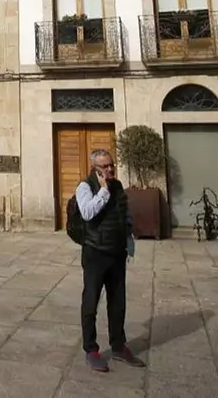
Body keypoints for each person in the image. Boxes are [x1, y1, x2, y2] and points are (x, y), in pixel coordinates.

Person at [75, 149, 144, 372]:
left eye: (111, 165)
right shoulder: (85, 187)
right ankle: (91, 350)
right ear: (95, 169)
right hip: (95, 252)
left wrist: (128, 238)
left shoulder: (118, 186)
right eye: (105, 167)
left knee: (118, 303)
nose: (110, 169)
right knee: (91, 302)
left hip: (116, 253)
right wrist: (103, 191)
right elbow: (87, 213)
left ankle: (118, 345)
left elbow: (124, 212)